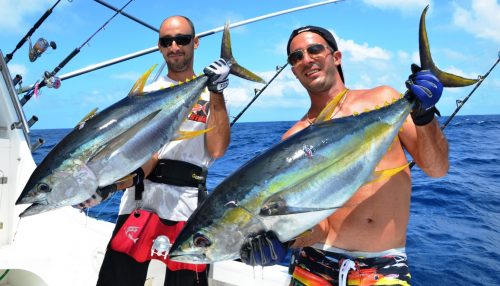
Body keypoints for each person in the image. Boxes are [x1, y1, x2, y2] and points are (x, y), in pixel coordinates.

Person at [239, 26, 448, 286]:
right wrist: (285, 241)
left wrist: (425, 116)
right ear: (293, 70)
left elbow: (436, 168)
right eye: (296, 57)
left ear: (336, 57)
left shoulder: (383, 100)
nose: (306, 59)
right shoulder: (294, 139)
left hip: (382, 268)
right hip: (313, 266)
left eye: (315, 49)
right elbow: (321, 228)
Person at [78, 16, 231, 286]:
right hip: (139, 203)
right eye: (166, 41)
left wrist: (216, 91)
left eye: (182, 39)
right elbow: (136, 154)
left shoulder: (210, 97)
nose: (174, 46)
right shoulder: (144, 96)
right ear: (159, 47)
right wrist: (105, 187)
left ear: (195, 43)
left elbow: (217, 150)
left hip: (186, 208)